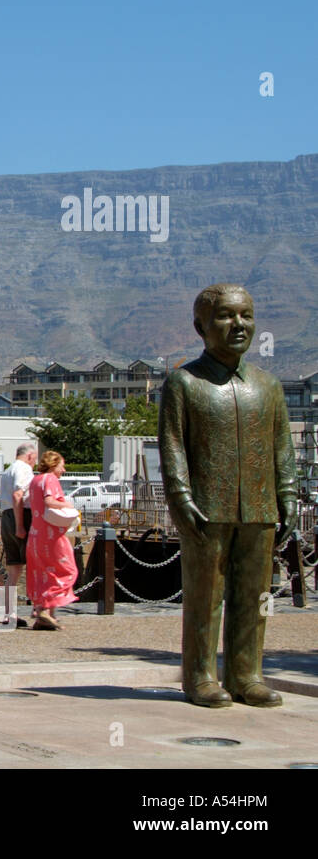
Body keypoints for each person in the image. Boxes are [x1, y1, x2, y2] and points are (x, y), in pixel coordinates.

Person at [159, 284, 296, 708]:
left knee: (254, 598)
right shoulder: (184, 382)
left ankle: (246, 674)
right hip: (206, 509)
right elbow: (173, 447)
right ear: (201, 326)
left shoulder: (268, 386)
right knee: (205, 597)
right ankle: (200, 675)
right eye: (226, 315)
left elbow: (282, 447)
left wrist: (287, 495)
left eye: (246, 315)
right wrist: (182, 499)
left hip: (259, 508)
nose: (238, 324)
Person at [25, 450, 77, 629]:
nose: (64, 470)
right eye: (62, 466)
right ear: (54, 465)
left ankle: (42, 614)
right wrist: (68, 505)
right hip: (51, 536)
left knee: (42, 573)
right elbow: (50, 501)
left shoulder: (34, 480)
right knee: (67, 571)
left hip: (35, 535)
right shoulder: (50, 479)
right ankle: (44, 610)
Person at [0, 442, 36, 628]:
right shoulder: (24, 469)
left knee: (13, 569)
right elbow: (18, 495)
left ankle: (9, 613)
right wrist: (20, 525)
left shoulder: (8, 470)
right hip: (20, 515)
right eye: (35, 459)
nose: (35, 463)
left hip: (6, 515)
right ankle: (38, 608)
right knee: (34, 564)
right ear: (29, 456)